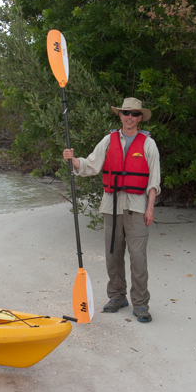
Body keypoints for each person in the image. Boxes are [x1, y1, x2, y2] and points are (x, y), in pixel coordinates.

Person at [63, 97, 161, 323]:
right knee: (112, 255)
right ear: (120, 115)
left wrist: (150, 209)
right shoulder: (108, 140)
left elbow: (154, 180)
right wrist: (74, 160)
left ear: (139, 118)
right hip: (112, 206)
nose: (130, 118)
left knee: (138, 258)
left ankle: (140, 304)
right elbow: (91, 164)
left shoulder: (148, 144)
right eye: (126, 113)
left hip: (137, 207)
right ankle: (117, 296)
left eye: (135, 114)